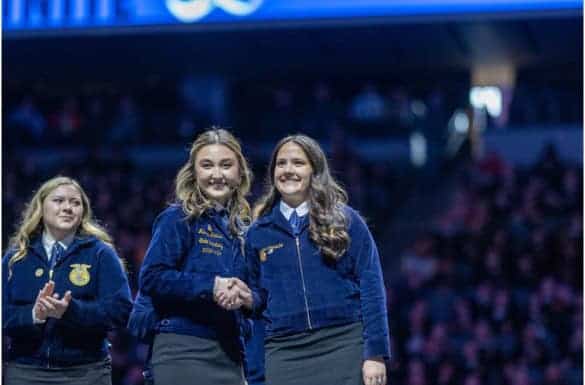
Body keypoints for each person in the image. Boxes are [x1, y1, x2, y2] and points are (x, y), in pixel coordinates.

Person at [243, 134, 391, 385]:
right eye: (281, 163)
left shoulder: (346, 221)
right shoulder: (257, 233)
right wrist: (254, 371)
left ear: (315, 170)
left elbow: (372, 288)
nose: (288, 170)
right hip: (284, 353)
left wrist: (375, 354)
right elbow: (256, 305)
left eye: (298, 163)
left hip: (344, 345)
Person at [138, 128, 253, 385]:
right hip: (182, 347)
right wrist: (211, 286)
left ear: (240, 172)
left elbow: (257, 292)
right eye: (207, 166)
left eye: (225, 165)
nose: (216, 174)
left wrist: (247, 297)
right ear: (194, 173)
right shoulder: (178, 218)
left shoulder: (244, 230)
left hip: (231, 351)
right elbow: (152, 277)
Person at [2, 176, 132, 385]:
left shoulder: (101, 254)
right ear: (41, 207)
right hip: (26, 371)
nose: (68, 208)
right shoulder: (16, 258)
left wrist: (71, 311)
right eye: (59, 200)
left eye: (75, 203)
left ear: (83, 212)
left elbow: (120, 310)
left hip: (87, 372)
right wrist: (33, 315)